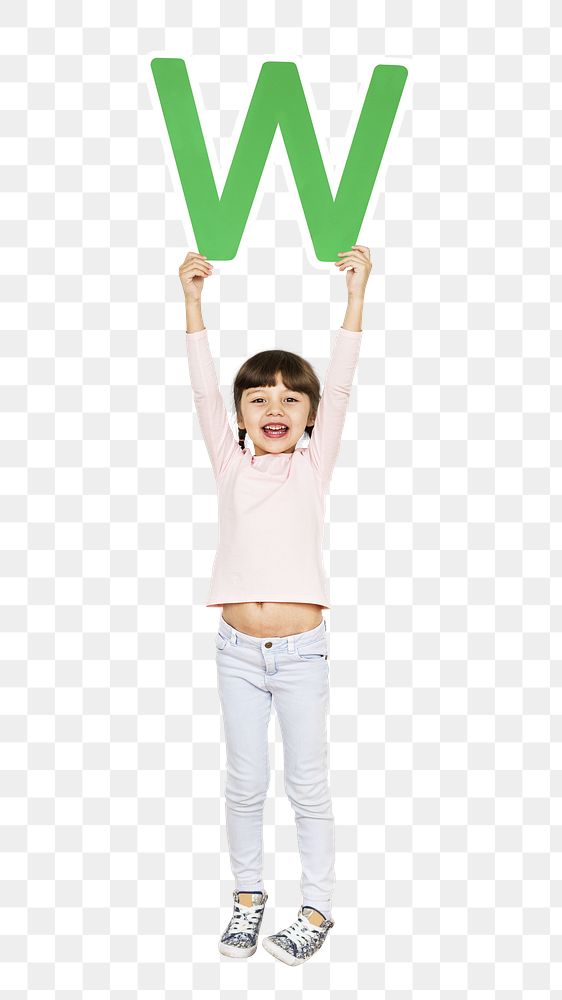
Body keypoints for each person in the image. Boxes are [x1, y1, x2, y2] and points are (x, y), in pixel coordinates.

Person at [179, 246, 372, 965]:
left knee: (307, 782)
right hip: (235, 650)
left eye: (293, 398)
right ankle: (249, 898)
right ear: (238, 415)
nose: (275, 408)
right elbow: (202, 390)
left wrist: (356, 296)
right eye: (260, 397)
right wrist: (193, 304)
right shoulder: (230, 461)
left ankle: (317, 908)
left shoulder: (313, 467)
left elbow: (345, 379)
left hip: (300, 653)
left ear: (314, 416)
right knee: (246, 780)